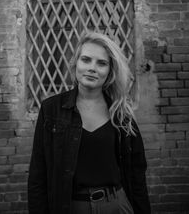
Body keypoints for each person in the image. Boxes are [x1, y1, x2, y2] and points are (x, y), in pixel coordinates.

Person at [28, 31, 151, 214]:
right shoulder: (51, 109)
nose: (92, 68)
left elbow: (137, 172)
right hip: (69, 207)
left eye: (101, 63)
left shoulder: (121, 113)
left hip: (116, 206)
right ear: (75, 63)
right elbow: (38, 174)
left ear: (110, 71)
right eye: (86, 60)